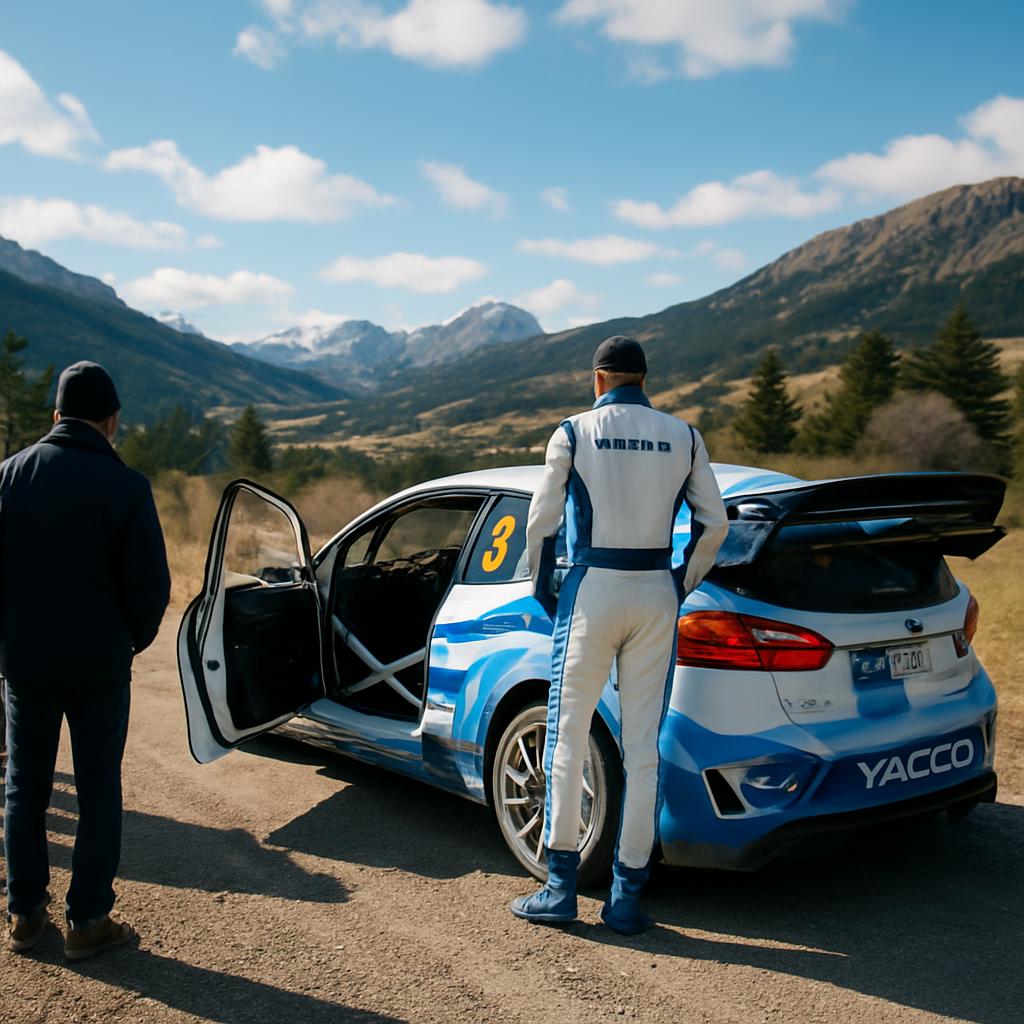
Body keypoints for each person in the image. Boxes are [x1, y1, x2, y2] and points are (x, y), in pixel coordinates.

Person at [511, 336, 728, 934]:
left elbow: (541, 521)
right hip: (655, 590)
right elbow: (714, 524)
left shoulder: (573, 432)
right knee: (643, 751)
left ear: (598, 379)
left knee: (566, 739)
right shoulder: (684, 436)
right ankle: (626, 899)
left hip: (593, 589)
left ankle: (559, 890)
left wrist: (547, 588)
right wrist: (680, 581)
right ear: (644, 379)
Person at [3, 361, 170, 959]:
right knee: (99, 787)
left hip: (25, 662)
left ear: (56, 416)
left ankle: (25, 916)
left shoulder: (8, 475)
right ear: (111, 421)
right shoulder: (126, 486)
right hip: (99, 665)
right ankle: (88, 921)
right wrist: (130, 641)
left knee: (25, 785)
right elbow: (151, 585)